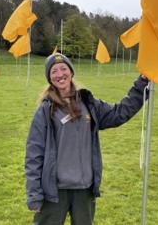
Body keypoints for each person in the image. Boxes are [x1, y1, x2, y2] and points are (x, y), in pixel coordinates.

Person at [25, 53, 149, 225]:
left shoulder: (89, 104)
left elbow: (119, 113)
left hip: (84, 190)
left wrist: (142, 84)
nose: (60, 74)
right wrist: (34, 195)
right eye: (54, 71)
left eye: (63, 69)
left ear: (71, 72)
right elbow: (33, 155)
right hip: (53, 192)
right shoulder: (45, 111)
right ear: (49, 78)